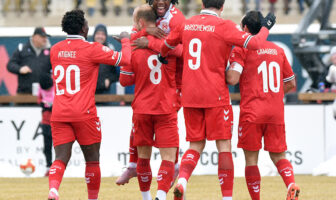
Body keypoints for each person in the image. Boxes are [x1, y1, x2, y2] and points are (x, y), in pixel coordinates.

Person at [160, 0, 276, 199]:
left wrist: (163, 55)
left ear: (202, 3)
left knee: (195, 145)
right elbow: (256, 43)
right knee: (223, 146)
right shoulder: (224, 27)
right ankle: (227, 197)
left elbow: (166, 45)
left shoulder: (186, 23)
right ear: (222, 6)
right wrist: (266, 27)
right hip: (215, 94)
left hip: (190, 94)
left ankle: (182, 181)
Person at [47, 9, 131, 200]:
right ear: (84, 28)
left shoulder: (55, 50)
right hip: (84, 112)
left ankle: (53, 189)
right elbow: (124, 59)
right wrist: (126, 40)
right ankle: (92, 198)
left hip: (59, 112)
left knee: (60, 158)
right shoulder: (92, 49)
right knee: (92, 160)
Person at [226, 10, 299, 200]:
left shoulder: (242, 49)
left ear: (245, 28)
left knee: (251, 160)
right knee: (279, 156)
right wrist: (273, 95)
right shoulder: (278, 50)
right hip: (275, 112)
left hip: (252, 112)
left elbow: (233, 78)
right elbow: (291, 83)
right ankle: (291, 183)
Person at [116, 0, 185, 186]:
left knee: (160, 130)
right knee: (141, 122)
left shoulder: (176, 19)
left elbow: (182, 51)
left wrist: (151, 41)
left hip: (174, 86)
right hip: (159, 89)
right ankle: (137, 165)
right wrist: (146, 32)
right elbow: (134, 33)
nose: (160, 1)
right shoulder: (150, 15)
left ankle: (173, 166)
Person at [7, 27, 52, 94]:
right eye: (42, 36)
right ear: (34, 37)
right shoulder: (22, 49)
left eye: (46, 37)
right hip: (24, 92)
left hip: (44, 93)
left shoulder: (50, 51)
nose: (45, 39)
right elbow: (10, 65)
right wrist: (20, 69)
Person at [93, 24, 119, 94]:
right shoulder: (88, 49)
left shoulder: (110, 51)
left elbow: (116, 74)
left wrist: (109, 79)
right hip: (89, 93)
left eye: (103, 34)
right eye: (98, 34)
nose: (100, 36)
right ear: (94, 35)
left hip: (105, 92)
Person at [37, 73, 55, 177]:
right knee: (47, 146)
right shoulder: (41, 86)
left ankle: (59, 168)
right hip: (46, 120)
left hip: (57, 120)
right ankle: (49, 167)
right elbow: (39, 99)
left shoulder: (56, 85)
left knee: (59, 146)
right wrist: (43, 104)